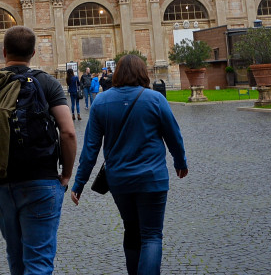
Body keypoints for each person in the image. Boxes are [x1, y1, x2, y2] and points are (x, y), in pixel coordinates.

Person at [0, 26, 76, 275]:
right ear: (33, 53)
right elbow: (68, 132)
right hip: (42, 179)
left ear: (4, 52)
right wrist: (66, 174)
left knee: (15, 258)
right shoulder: (47, 82)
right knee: (38, 261)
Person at [71, 54, 188, 275]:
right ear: (142, 73)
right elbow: (174, 135)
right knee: (152, 235)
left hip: (120, 180)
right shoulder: (155, 99)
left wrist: (79, 182)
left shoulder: (101, 102)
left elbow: (90, 149)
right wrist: (180, 161)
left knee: (132, 230)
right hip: (152, 178)